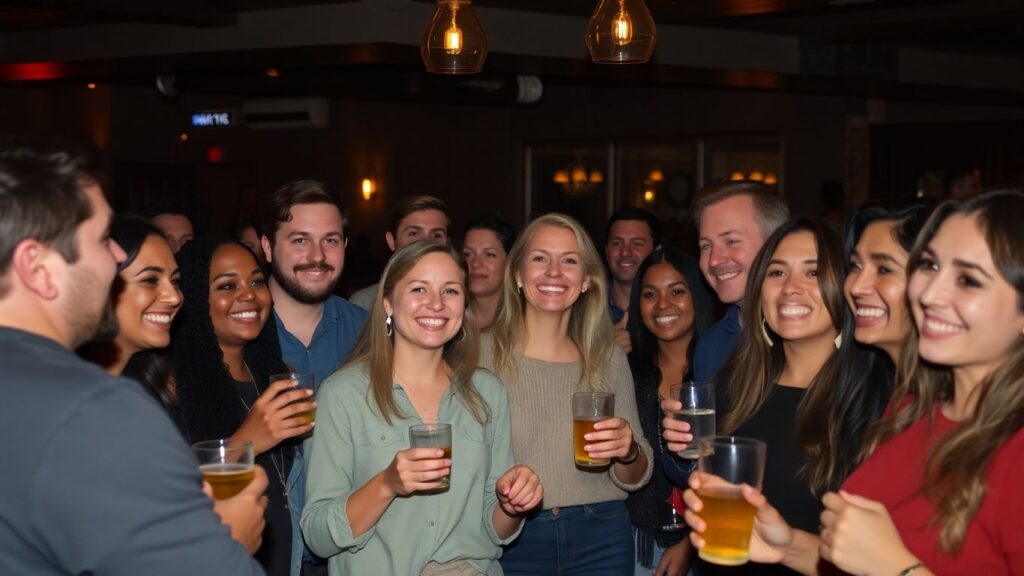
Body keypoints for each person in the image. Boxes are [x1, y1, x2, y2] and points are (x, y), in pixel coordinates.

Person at [683, 190, 1024, 575]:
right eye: (929, 268)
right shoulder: (908, 410)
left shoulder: (1006, 442)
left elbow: (888, 563)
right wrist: (790, 545)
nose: (930, 292)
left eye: (968, 279)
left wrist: (899, 571)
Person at [0, 136, 265, 574]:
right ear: (37, 268)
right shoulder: (97, 411)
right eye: (103, 239)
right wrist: (229, 536)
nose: (118, 255)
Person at [302, 240, 543, 575]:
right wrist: (386, 484)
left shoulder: (487, 392)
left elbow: (494, 529)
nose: (436, 304)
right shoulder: (342, 395)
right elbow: (318, 535)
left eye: (451, 291)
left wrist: (513, 504)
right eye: (419, 289)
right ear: (388, 302)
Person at [676, 219, 855, 576]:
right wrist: (687, 449)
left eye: (813, 272)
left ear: (844, 285)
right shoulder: (736, 383)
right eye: (776, 273)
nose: (790, 288)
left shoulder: (867, 396)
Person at [483, 212, 653, 576]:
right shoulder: (479, 357)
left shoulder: (607, 358)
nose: (554, 272)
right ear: (517, 273)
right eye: (540, 258)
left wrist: (629, 449)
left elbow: (636, 474)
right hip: (514, 540)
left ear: (588, 280)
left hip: (603, 534)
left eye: (570, 261)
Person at [173, 236, 316, 576]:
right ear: (195, 299)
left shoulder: (280, 378)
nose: (248, 294)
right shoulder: (173, 392)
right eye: (226, 286)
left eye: (255, 281)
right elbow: (171, 510)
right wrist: (246, 443)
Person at [260, 179, 368, 575]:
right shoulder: (236, 333)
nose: (318, 256)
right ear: (268, 247)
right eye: (300, 240)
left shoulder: (369, 334)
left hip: (350, 551)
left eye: (331, 240)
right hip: (263, 552)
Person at [625, 248, 713, 576]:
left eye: (677, 291)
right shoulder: (626, 372)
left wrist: (691, 543)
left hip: (709, 543)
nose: (663, 304)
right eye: (650, 294)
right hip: (634, 542)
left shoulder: (724, 369)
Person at [79, 215, 181, 410]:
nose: (174, 297)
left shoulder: (154, 385)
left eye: (175, 281)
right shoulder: (65, 394)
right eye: (150, 280)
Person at [349, 195, 449, 310]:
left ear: (447, 243)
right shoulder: (364, 304)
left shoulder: (459, 303)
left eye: (436, 235)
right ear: (392, 241)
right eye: (414, 234)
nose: (425, 243)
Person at [606, 207, 662, 355]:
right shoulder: (582, 310)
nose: (625, 252)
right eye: (617, 243)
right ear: (606, 251)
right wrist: (600, 352)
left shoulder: (670, 310)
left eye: (637, 243)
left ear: (656, 252)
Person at [461, 215, 516, 331]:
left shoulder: (525, 325)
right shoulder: (449, 320)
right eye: (468, 254)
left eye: (489, 255)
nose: (475, 264)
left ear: (510, 261)